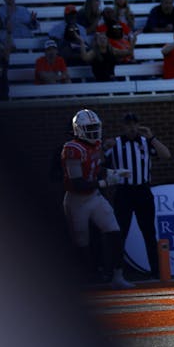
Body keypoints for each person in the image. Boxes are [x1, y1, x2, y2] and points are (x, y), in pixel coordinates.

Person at [61, 109, 132, 289]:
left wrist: (113, 172)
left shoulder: (96, 144)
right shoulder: (72, 148)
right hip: (77, 201)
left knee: (114, 232)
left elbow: (96, 169)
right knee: (81, 243)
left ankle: (117, 275)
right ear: (78, 129)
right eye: (89, 127)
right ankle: (84, 279)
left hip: (94, 198)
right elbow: (78, 183)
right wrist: (106, 182)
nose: (93, 131)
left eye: (95, 127)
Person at [106, 112, 171, 279]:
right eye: (128, 124)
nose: (132, 127)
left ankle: (156, 271)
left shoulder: (145, 142)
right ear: (123, 126)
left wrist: (152, 138)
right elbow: (100, 163)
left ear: (139, 125)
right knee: (121, 232)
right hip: (124, 192)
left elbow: (166, 155)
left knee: (149, 232)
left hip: (143, 191)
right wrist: (104, 147)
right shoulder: (116, 143)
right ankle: (117, 273)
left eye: (134, 124)